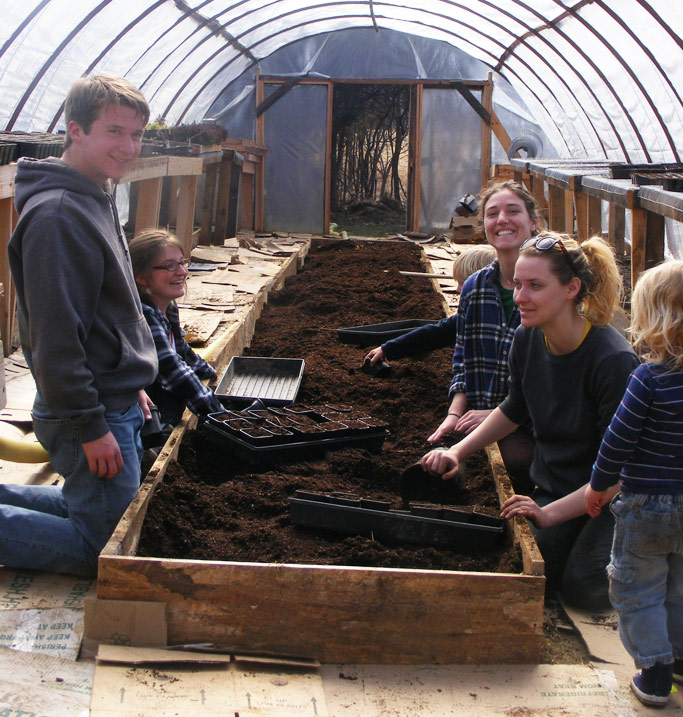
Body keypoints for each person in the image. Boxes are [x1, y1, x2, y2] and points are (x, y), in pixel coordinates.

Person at [422, 231, 640, 609]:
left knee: (583, 588)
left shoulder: (612, 361)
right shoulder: (527, 338)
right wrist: (457, 452)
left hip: (612, 498)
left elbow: (621, 474)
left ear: (572, 288)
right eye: (518, 284)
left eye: (535, 286)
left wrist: (548, 513)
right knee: (535, 566)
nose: (520, 297)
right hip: (558, 487)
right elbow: (514, 408)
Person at [2, 73, 159, 577]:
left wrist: (131, 376)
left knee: (102, 517)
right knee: (103, 551)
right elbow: (53, 342)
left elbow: (112, 308)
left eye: (136, 134)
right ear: (76, 130)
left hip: (112, 395)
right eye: (114, 132)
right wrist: (90, 425)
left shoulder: (96, 192)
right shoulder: (58, 214)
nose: (128, 147)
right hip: (84, 410)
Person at [585, 260, 683, 707]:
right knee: (678, 584)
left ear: (653, 318)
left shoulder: (647, 379)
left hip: (647, 506)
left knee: (637, 587)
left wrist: (598, 486)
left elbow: (617, 441)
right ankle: (677, 655)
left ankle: (655, 671)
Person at [422, 181, 541, 493]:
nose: (501, 219)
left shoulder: (551, 291)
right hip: (477, 419)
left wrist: (497, 415)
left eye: (513, 211)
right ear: (484, 225)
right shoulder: (474, 288)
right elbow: (463, 360)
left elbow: (560, 385)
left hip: (532, 428)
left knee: (512, 462)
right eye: (492, 213)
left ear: (533, 222)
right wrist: (453, 415)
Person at [129, 228, 224, 430]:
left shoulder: (168, 307)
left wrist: (207, 370)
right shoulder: (143, 317)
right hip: (142, 417)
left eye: (182, 262)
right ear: (141, 277)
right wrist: (221, 417)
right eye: (169, 266)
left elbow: (181, 350)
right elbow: (173, 370)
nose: (182, 272)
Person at [363, 245, 496, 366]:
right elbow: (436, 333)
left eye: (462, 283)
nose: (457, 289)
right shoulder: (471, 316)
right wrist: (388, 348)